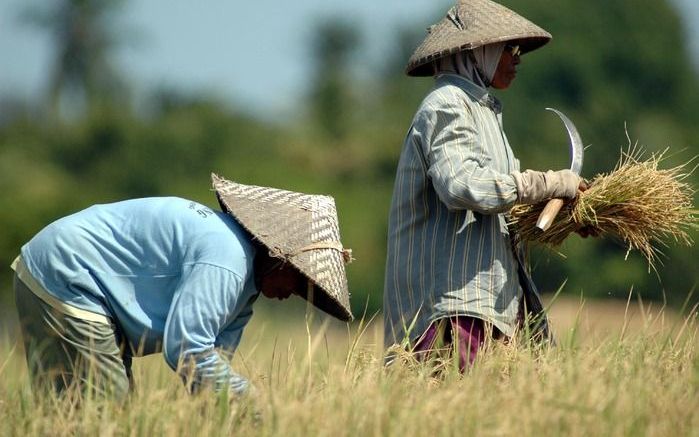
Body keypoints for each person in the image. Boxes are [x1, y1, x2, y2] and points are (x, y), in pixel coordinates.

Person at [12, 174, 353, 400]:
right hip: (66, 273)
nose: (291, 294)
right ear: (279, 256)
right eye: (298, 280)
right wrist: (258, 403)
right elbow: (187, 351)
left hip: (68, 279)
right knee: (104, 413)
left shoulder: (245, 290)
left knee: (90, 413)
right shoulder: (225, 261)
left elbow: (208, 376)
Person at [383, 0, 585, 370]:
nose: (517, 58)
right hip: (452, 306)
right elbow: (462, 186)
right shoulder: (446, 105)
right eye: (510, 48)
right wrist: (549, 182)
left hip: (489, 302)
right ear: (477, 51)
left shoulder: (483, 111)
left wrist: (573, 214)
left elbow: (501, 204)